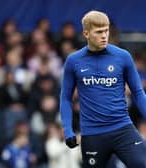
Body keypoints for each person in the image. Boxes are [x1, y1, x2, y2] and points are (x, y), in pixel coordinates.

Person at [60, 10, 146, 168]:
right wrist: (68, 131)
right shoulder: (73, 61)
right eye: (99, 32)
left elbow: (138, 92)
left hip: (122, 128)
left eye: (106, 30)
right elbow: (66, 98)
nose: (104, 35)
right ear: (86, 33)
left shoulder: (123, 56)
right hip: (93, 135)